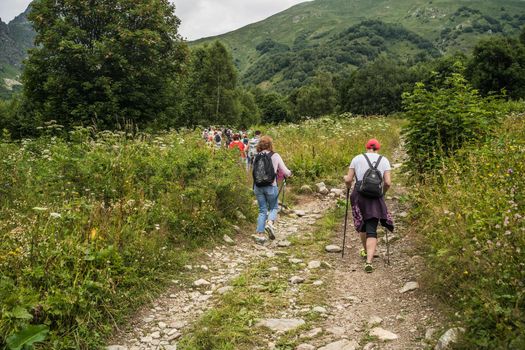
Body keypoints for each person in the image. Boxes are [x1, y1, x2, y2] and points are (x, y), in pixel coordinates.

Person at [344, 138, 394, 273]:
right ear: (378, 148)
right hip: (375, 196)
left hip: (359, 195)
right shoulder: (384, 160)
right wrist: (382, 194)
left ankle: (366, 251)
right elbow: (388, 182)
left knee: (362, 224)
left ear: (367, 147)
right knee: (372, 227)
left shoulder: (357, 158)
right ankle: (369, 261)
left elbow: (349, 179)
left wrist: (347, 184)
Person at [253, 135, 292, 244]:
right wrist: (290, 173)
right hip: (271, 186)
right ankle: (269, 223)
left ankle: (260, 235)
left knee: (262, 210)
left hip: (258, 186)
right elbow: (285, 171)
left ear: (259, 145)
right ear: (270, 144)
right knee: (274, 207)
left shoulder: (256, 156)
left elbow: (254, 172)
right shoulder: (275, 155)